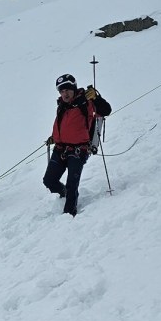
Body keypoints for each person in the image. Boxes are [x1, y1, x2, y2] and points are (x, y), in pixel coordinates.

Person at [43, 74, 112, 216]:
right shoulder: (62, 105)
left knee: (72, 183)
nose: (64, 94)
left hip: (79, 150)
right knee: (49, 180)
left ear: (73, 88)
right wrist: (55, 138)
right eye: (61, 91)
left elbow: (106, 110)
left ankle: (69, 214)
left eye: (67, 90)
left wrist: (96, 98)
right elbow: (64, 125)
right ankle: (65, 194)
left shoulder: (86, 101)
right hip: (60, 149)